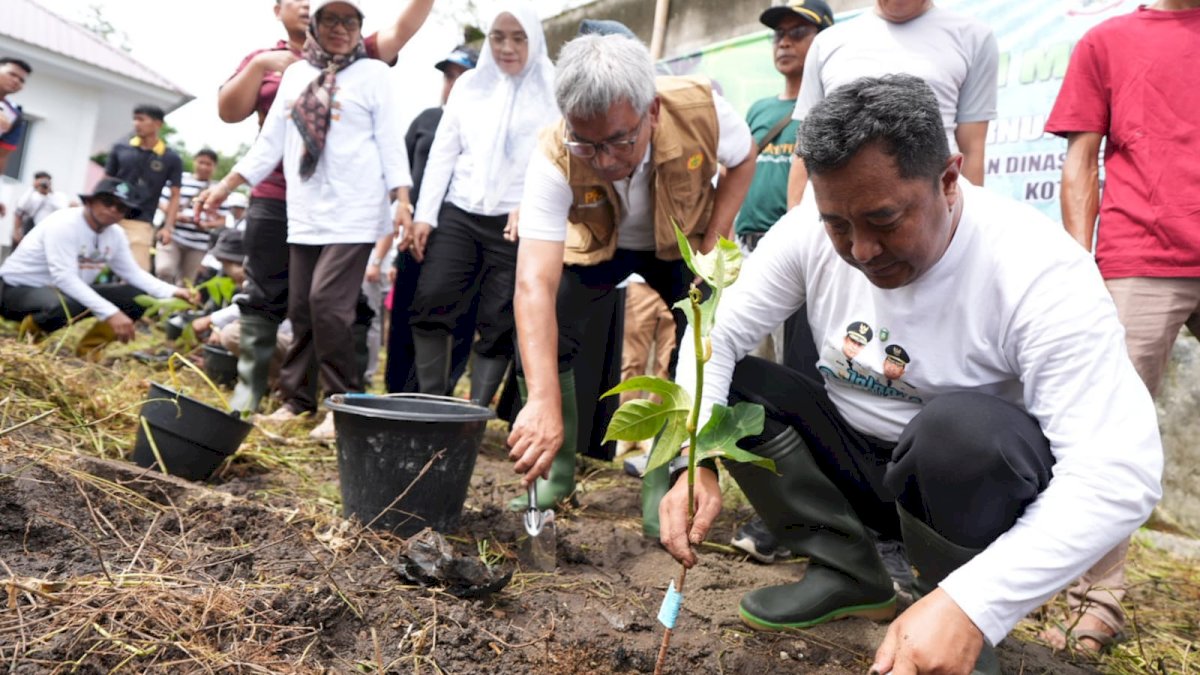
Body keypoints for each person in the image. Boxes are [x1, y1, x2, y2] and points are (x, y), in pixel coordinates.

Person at [656, 75, 1161, 675]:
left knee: (964, 430)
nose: (860, 250)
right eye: (838, 224)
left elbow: (1120, 471)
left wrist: (976, 602)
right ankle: (848, 569)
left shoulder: (1037, 272)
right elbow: (717, 335)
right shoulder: (806, 233)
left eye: (884, 220)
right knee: (734, 381)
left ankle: (945, 608)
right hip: (851, 459)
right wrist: (698, 458)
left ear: (949, 179)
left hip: (954, 486)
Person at [507, 32, 756, 533]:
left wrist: (714, 234)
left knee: (701, 338)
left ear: (653, 112)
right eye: (587, 144)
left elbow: (743, 158)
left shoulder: (701, 111)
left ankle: (664, 479)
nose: (604, 160)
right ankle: (556, 472)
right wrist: (541, 399)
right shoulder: (554, 154)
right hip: (601, 244)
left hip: (681, 240)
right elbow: (532, 281)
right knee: (547, 322)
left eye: (620, 140)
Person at [1042, 0, 1200, 653]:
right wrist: (1081, 266)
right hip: (1141, 258)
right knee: (1109, 436)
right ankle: (1097, 600)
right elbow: (1081, 160)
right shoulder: (1107, 40)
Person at [197, 0, 412, 442]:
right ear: (313, 26)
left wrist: (402, 200)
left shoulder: (374, 74)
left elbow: (391, 142)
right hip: (306, 210)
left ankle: (344, 404)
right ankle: (296, 401)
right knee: (300, 308)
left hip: (354, 211)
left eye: (349, 20)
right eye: (330, 19)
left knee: (329, 305)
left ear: (359, 28)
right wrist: (225, 186)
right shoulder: (295, 75)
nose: (340, 28)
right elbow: (269, 143)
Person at [406, 1, 557, 410]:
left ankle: (474, 412)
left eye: (518, 38)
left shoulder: (553, 87)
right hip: (460, 210)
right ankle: (430, 402)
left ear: (534, 39)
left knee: (500, 317)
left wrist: (531, 204)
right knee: (433, 296)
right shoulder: (470, 85)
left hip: (517, 219)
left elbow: (558, 156)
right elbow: (444, 152)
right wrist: (425, 215)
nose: (507, 47)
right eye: (498, 37)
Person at [784, 0, 998, 208]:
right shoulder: (827, 42)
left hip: (928, 213)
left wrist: (969, 219)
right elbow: (805, 145)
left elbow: (972, 149)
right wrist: (796, 215)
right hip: (836, 211)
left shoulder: (974, 37)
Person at [0, 177, 197, 357]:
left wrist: (173, 291)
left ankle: (88, 352)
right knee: (63, 304)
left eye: (121, 208)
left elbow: (134, 273)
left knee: (136, 297)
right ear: (90, 201)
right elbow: (64, 278)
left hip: (62, 292)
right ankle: (25, 343)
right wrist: (111, 312)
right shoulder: (64, 223)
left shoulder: (115, 235)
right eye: (108, 202)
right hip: (15, 290)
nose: (113, 210)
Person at [385, 43, 479, 394]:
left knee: (454, 315)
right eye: (448, 76)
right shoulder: (425, 120)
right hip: (414, 232)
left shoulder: (480, 126)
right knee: (408, 311)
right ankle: (398, 392)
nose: (452, 83)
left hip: (460, 236)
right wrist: (404, 210)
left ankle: (438, 396)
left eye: (462, 76)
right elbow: (400, 173)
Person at [104, 104, 184, 272]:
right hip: (110, 216)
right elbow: (106, 181)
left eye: (141, 119)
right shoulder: (120, 148)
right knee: (94, 264)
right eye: (134, 119)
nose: (136, 123)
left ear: (157, 124)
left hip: (141, 222)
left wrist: (168, 228)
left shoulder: (171, 158)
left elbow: (175, 195)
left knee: (136, 274)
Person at [156, 148, 225, 284]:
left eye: (208, 164)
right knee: (164, 270)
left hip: (198, 243)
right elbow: (162, 201)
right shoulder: (180, 179)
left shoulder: (217, 189)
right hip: (173, 235)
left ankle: (175, 305)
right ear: (194, 162)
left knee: (187, 283)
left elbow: (223, 218)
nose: (204, 167)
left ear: (214, 167)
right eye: (201, 162)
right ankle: (161, 302)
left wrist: (205, 225)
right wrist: (176, 215)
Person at [12, 171, 70, 246]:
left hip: (51, 234)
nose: (43, 184)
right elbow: (20, 206)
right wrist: (32, 188)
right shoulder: (32, 196)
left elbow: (63, 209)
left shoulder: (58, 196)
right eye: (41, 181)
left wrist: (48, 194)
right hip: (32, 232)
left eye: (46, 181)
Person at [0, 57, 32, 184]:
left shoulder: (15, 116)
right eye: (12, 74)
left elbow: (2, 156)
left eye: (22, 80)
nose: (16, 81)